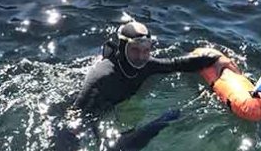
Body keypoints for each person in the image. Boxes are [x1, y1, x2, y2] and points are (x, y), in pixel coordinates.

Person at [75, 21, 237, 114]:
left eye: (146, 51)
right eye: (134, 50)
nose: (141, 57)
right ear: (122, 49)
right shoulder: (102, 75)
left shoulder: (147, 64)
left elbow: (177, 64)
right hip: (99, 112)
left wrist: (216, 59)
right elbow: (76, 114)